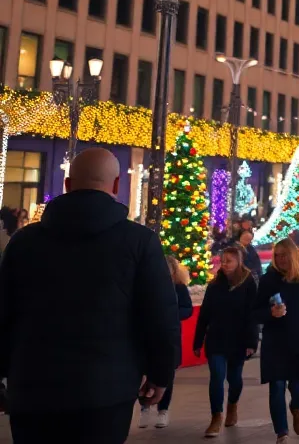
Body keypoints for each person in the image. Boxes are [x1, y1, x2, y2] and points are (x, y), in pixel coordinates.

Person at [0, 147, 179, 444]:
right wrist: (160, 374)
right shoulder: (138, 242)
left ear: (67, 185)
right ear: (117, 186)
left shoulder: (24, 242)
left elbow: (4, 313)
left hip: (32, 388)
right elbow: (160, 315)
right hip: (105, 391)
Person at [254, 238, 299, 444]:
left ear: (293, 255)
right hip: (274, 343)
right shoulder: (268, 281)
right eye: (277, 255)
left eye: (284, 255)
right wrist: (270, 313)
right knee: (276, 387)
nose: (280, 259)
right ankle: (281, 433)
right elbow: (254, 313)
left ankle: (296, 406)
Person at [195, 245, 259, 437]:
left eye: (229, 261)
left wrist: (251, 342)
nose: (224, 264)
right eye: (222, 261)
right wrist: (198, 341)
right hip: (216, 339)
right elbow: (205, 314)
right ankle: (216, 417)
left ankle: (232, 405)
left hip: (238, 339)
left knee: (235, 379)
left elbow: (252, 315)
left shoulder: (248, 283)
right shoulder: (214, 285)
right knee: (216, 377)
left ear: (238, 262)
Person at [140, 255, 194, 430]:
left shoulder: (179, 288)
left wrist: (171, 313)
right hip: (149, 335)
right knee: (147, 372)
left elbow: (187, 309)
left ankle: (163, 410)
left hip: (170, 335)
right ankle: (144, 407)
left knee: (167, 374)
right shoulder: (148, 288)